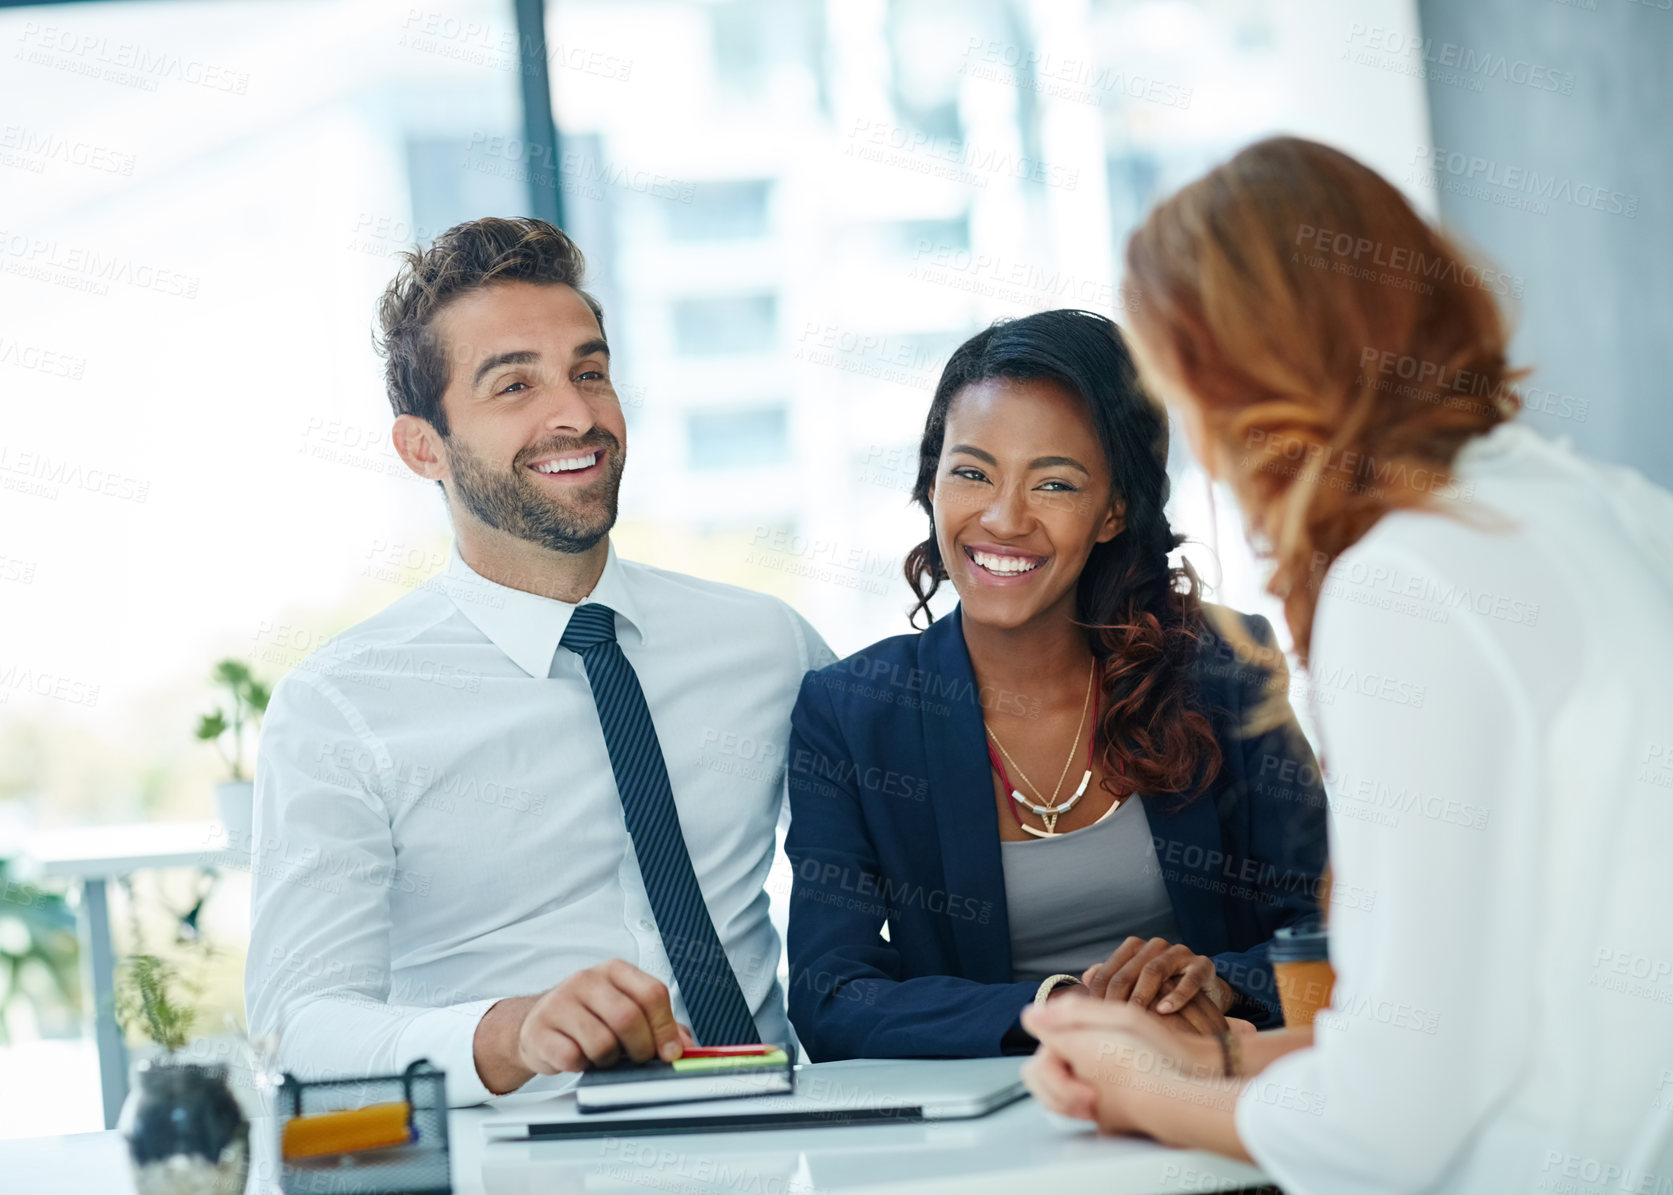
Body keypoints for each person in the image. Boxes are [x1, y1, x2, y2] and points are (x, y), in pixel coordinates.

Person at [1021, 137, 1673, 1193]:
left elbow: (1390, 1123)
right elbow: (1472, 1012)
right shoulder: (1609, 508)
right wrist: (1221, 1057)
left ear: (1220, 374)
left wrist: (1140, 1090)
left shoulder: (1409, 579)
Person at [245, 217, 831, 1106]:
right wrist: (505, 1034)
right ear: (422, 447)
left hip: (787, 1141)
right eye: (514, 384)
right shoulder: (339, 708)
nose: (576, 413)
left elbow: (923, 849)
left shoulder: (765, 645)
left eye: (588, 371)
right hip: (518, 1157)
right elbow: (299, 1027)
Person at [784, 309, 1329, 1062]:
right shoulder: (850, 712)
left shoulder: (1222, 667)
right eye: (970, 472)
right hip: (992, 1139)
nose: (1003, 519)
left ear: (1112, 512)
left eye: (1054, 483)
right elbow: (829, 993)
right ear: (931, 484)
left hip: (1219, 1096)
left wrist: (1219, 985)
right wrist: (1062, 1009)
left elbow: (1330, 929)